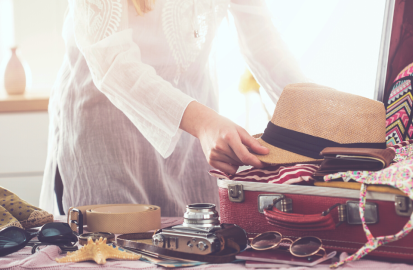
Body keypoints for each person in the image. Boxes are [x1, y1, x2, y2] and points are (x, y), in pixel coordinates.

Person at [39, 0, 307, 217]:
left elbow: (264, 44)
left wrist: (322, 118)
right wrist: (204, 123)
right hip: (106, 140)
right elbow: (113, 63)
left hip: (190, 143)